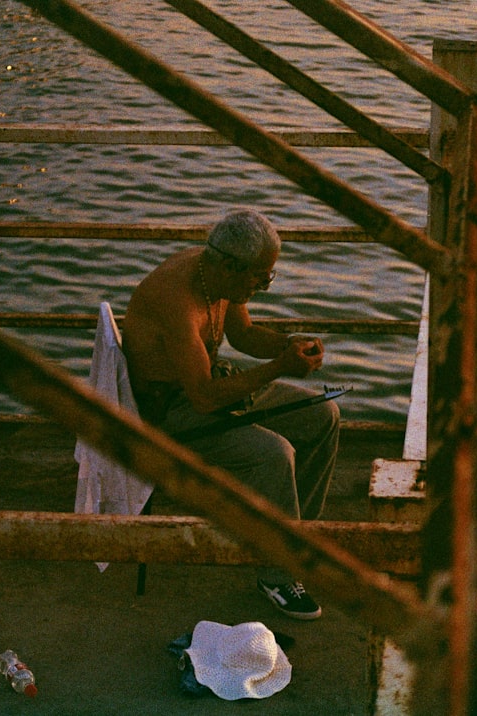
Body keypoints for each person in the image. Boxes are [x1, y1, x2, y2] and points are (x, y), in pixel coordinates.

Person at [122, 209, 340, 620]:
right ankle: (276, 574)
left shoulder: (218, 276)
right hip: (171, 415)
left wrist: (287, 344)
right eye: (260, 277)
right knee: (273, 454)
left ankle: (295, 541)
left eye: (267, 276)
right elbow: (203, 398)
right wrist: (278, 368)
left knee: (322, 415)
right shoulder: (177, 299)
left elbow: (242, 335)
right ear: (229, 266)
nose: (263, 285)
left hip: (209, 390)